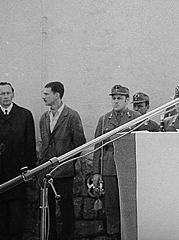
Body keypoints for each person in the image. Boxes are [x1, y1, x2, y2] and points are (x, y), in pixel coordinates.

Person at [0, 82, 36, 240]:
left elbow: (30, 145)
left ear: (13, 94)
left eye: (8, 93)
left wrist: (30, 171)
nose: (5, 97)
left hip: (17, 174)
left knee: (17, 217)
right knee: (0, 218)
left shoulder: (24, 115)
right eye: (2, 94)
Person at [38, 81, 86, 240]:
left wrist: (70, 163)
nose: (43, 97)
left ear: (57, 95)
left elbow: (80, 143)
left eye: (46, 94)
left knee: (66, 210)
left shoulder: (71, 116)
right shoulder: (44, 118)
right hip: (47, 173)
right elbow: (44, 143)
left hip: (64, 172)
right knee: (48, 210)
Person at [92, 85, 141, 237]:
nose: (116, 102)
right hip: (109, 166)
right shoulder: (105, 119)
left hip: (128, 166)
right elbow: (97, 146)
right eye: (114, 98)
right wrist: (96, 172)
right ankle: (113, 234)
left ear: (127, 100)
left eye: (119, 98)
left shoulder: (136, 117)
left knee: (128, 205)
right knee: (111, 205)